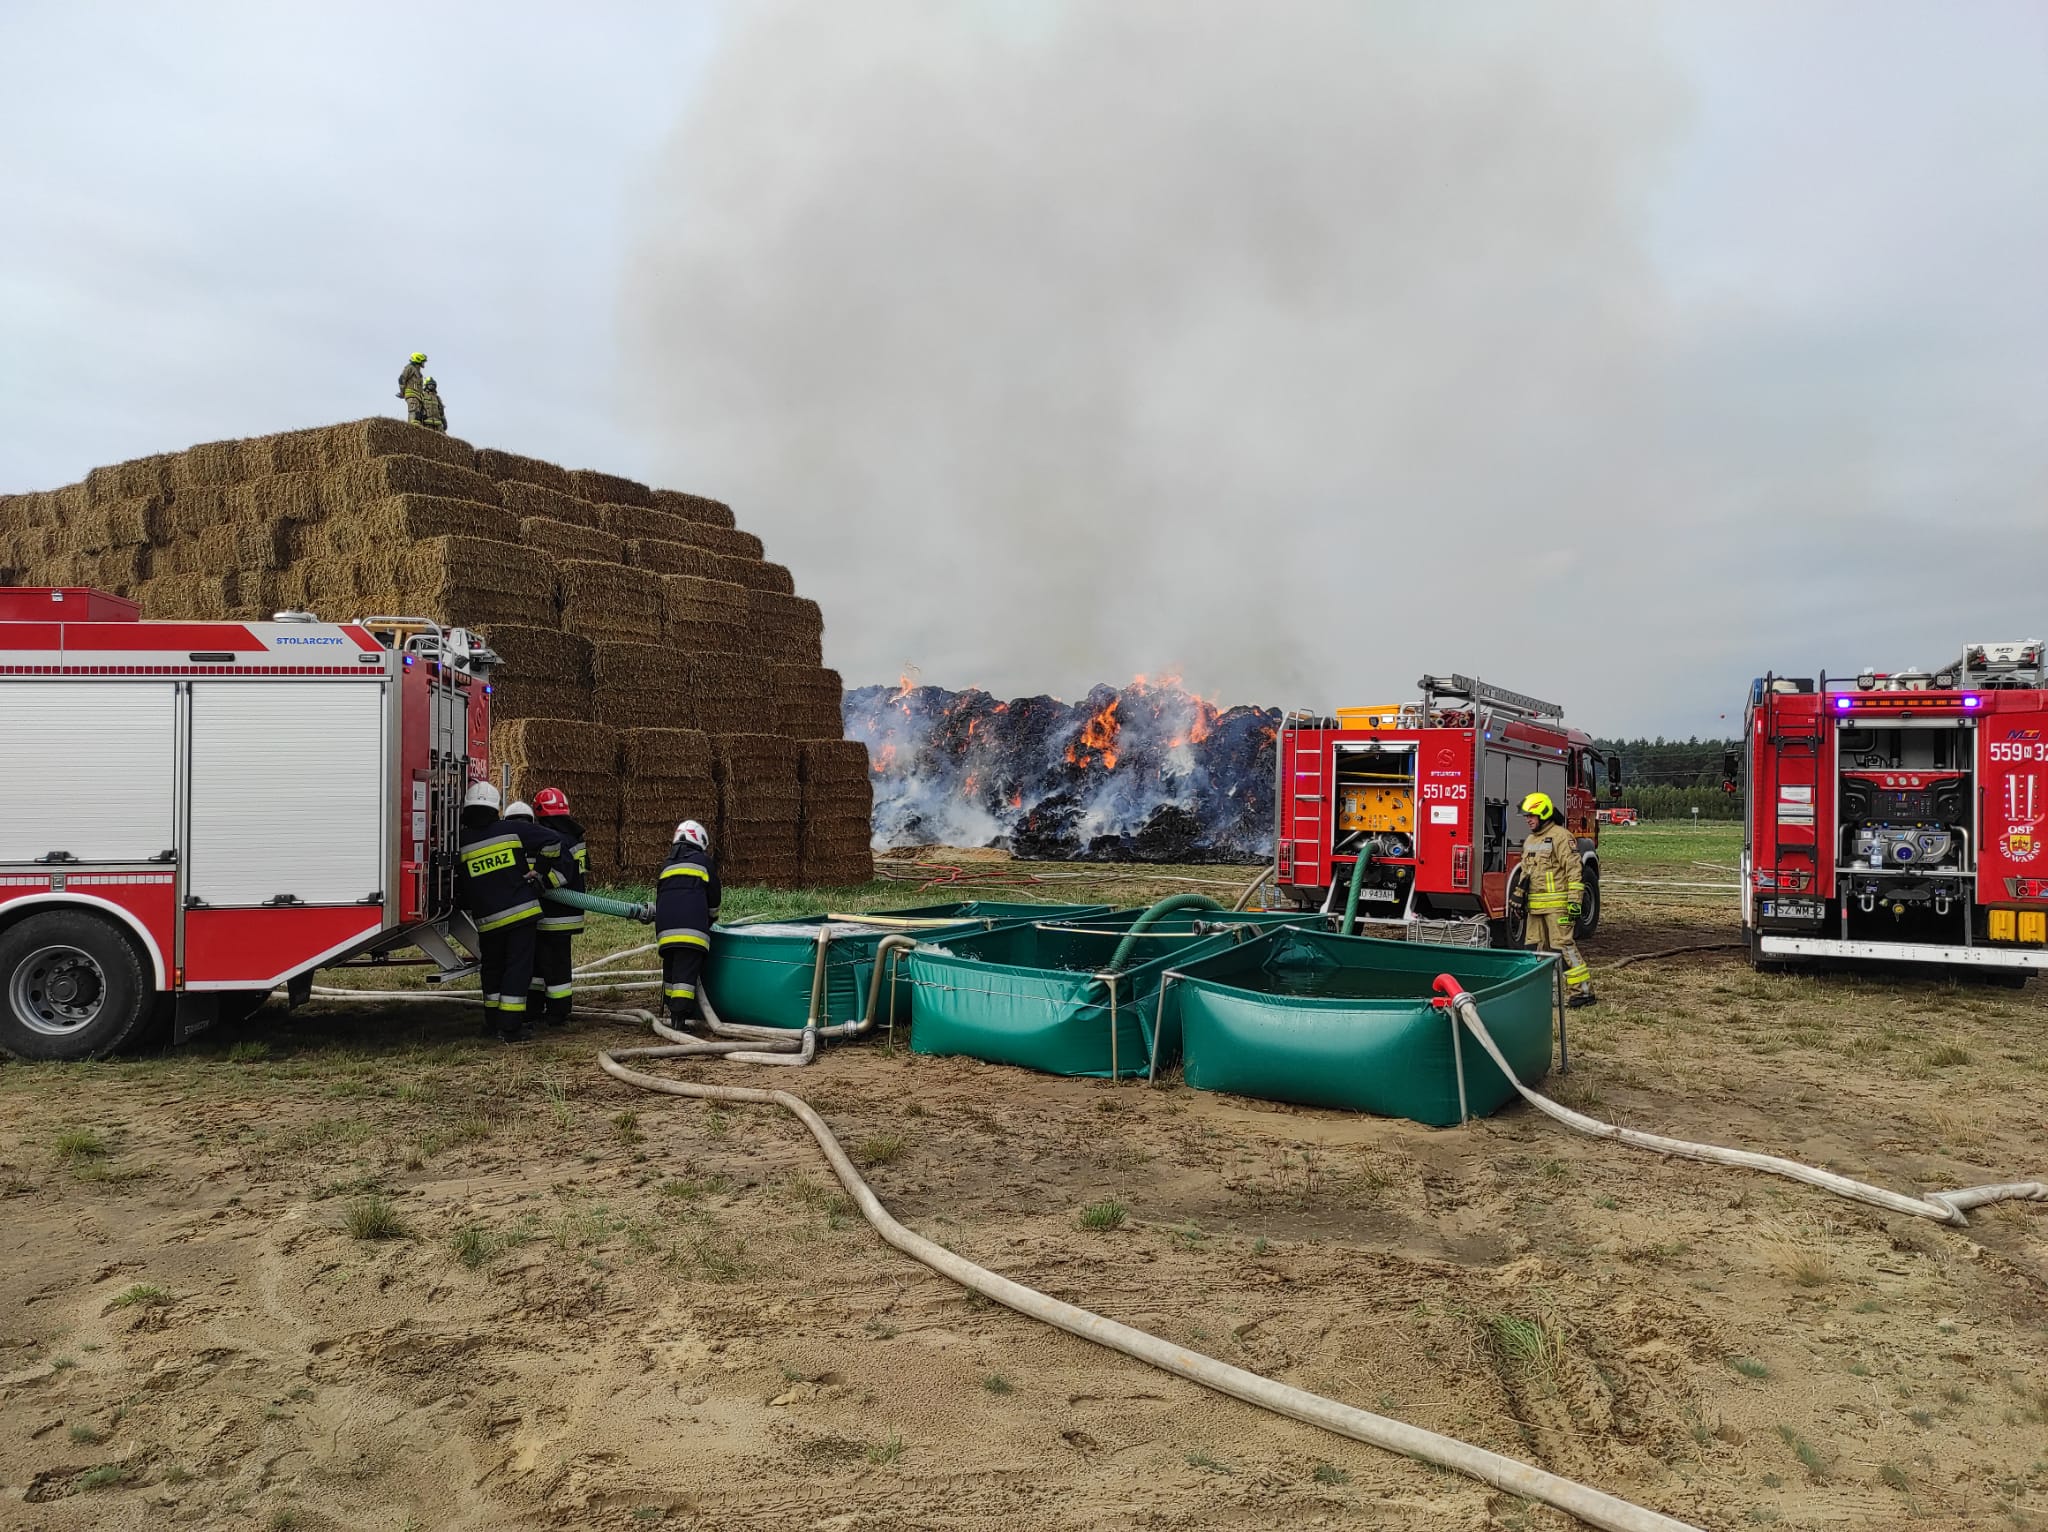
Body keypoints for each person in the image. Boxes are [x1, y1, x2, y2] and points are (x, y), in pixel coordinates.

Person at [455, 781, 567, 1041]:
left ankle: (492, 1022)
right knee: (517, 968)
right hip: (520, 914)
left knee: (492, 969)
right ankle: (511, 1027)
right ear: (495, 807)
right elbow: (553, 841)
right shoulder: (511, 829)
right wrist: (539, 871)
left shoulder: (461, 840)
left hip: (487, 920)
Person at [1517, 790, 1595, 1007]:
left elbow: (1574, 871)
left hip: (1558, 907)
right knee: (1538, 952)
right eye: (1526, 816)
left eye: (1531, 816)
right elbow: (1526, 873)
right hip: (1535, 908)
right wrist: (1518, 897)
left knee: (1563, 947)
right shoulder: (1530, 841)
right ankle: (1548, 995)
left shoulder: (1561, 837)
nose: (1528, 820)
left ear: (1543, 814)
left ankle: (1583, 992)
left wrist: (1575, 901)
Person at [517, 787, 587, 1025]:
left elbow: (564, 873)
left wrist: (541, 883)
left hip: (552, 914)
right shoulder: (573, 836)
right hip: (566, 914)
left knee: (549, 965)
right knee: (548, 963)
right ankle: (545, 1008)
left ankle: (554, 1011)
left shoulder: (554, 838)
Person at [654, 819, 721, 1029]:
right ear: (700, 840)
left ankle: (671, 1008)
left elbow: (660, 896)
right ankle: (680, 1018)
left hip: (665, 931)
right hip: (692, 931)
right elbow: (714, 897)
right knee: (685, 975)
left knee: (671, 970)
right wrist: (711, 919)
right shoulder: (703, 862)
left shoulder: (666, 865)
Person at [397, 351, 428, 426]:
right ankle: (411, 428)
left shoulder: (418, 371)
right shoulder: (410, 368)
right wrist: (402, 392)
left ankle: (416, 428)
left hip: (418, 396)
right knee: (413, 411)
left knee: (418, 415)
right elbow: (401, 379)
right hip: (412, 395)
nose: (423, 363)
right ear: (418, 359)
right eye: (423, 361)